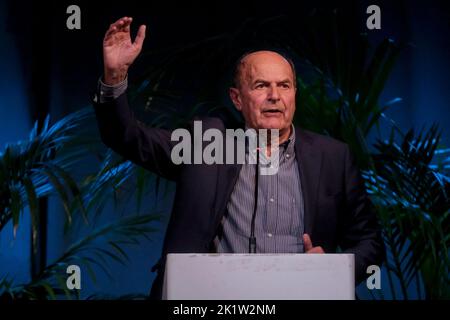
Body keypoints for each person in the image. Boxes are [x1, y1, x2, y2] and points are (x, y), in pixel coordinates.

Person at [93, 17, 385, 299]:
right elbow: (126, 136)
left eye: (284, 85)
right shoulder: (206, 144)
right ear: (237, 98)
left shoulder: (332, 156)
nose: (274, 96)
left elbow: (369, 242)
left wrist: (332, 269)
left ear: (295, 93)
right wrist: (115, 77)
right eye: (261, 86)